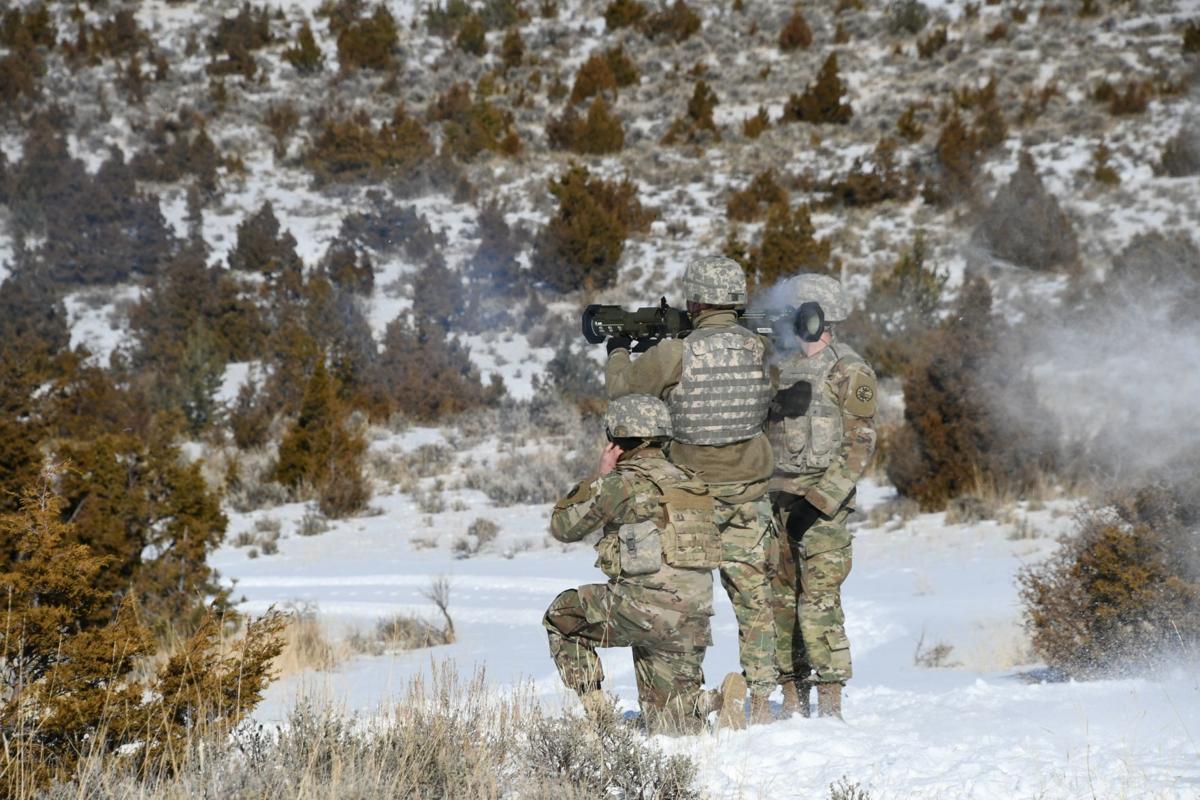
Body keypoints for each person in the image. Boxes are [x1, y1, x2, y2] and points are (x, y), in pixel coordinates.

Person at [605, 257, 777, 725]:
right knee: (754, 599)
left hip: (690, 499)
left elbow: (625, 397)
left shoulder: (675, 353)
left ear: (695, 299)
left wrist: (620, 351)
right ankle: (760, 700)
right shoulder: (762, 348)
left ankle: (687, 697)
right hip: (749, 497)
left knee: (686, 601)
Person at [543, 394, 747, 734]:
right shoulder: (691, 482)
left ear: (617, 440)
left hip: (640, 611)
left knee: (561, 617)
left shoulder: (619, 484)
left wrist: (598, 476)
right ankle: (715, 700)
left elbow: (563, 526)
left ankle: (596, 708)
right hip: (692, 617)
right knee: (671, 724)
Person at [766, 274, 877, 719]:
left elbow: (861, 443)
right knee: (781, 602)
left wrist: (819, 501)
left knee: (819, 604)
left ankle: (830, 702)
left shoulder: (850, 370)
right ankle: (792, 696)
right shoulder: (782, 369)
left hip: (821, 511)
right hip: (777, 502)